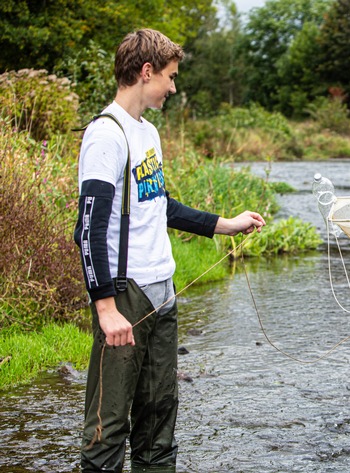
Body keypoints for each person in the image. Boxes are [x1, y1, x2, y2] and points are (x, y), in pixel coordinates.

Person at [73, 29, 266, 473]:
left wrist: (225, 225)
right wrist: (105, 309)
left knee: (160, 422)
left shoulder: (149, 133)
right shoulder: (106, 136)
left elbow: (159, 205)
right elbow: (87, 228)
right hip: (125, 296)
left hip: (164, 292)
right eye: (171, 77)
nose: (174, 87)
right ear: (146, 72)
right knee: (107, 429)